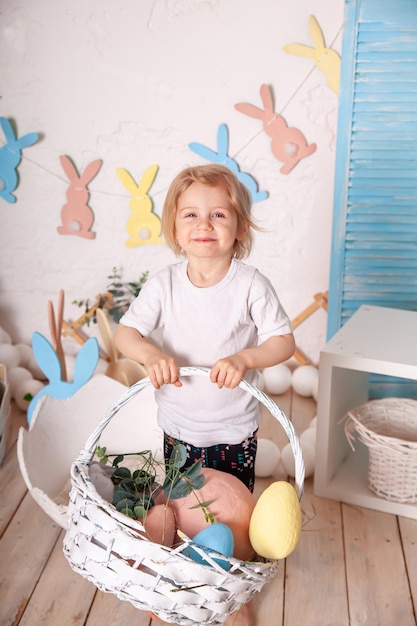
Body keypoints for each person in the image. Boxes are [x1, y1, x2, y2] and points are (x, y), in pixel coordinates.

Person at [114, 164, 295, 624]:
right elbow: (126, 333)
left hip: (233, 431)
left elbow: (282, 341)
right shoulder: (165, 284)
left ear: (240, 227)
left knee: (232, 521)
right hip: (178, 427)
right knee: (180, 511)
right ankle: (176, 584)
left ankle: (234, 590)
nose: (204, 225)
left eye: (218, 214)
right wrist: (150, 354)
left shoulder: (250, 284)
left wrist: (246, 359)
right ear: (174, 227)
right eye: (191, 215)